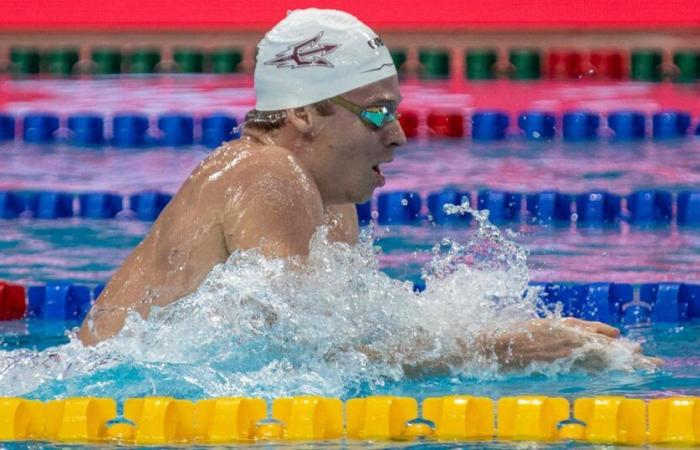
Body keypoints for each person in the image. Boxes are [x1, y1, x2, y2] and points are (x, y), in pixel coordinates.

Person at [78, 9, 655, 370]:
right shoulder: (267, 174)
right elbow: (294, 364)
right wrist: (503, 351)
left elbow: (342, 341)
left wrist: (505, 335)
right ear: (305, 113)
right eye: (378, 115)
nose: (399, 137)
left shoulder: (325, 198)